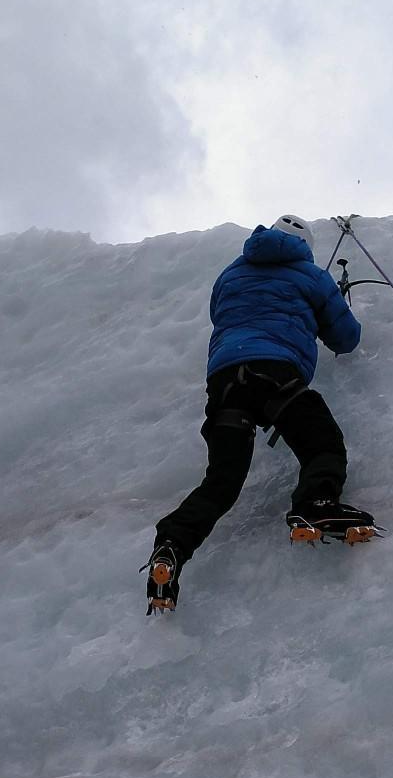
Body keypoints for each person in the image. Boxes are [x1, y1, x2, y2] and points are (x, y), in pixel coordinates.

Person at [145, 213, 372, 611]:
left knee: (222, 481)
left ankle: (172, 545)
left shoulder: (230, 274)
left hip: (225, 380)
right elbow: (346, 338)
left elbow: (223, 314)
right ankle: (316, 504)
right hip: (274, 373)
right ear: (305, 246)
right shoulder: (312, 276)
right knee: (321, 443)